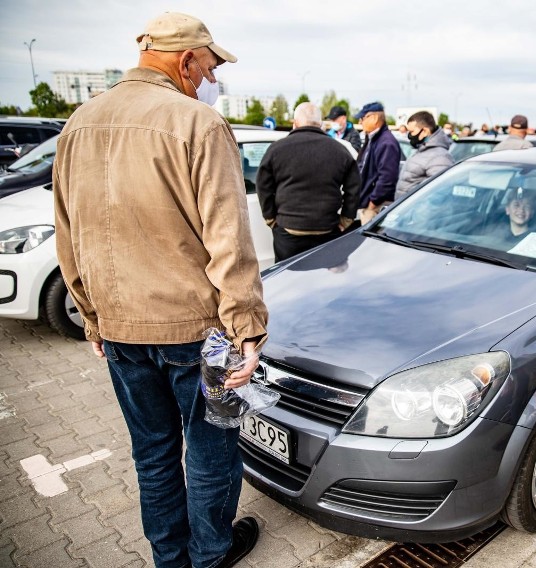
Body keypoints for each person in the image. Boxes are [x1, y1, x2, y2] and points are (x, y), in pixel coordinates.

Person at [52, 12, 267, 568]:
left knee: (152, 454)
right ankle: (211, 554)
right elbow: (229, 240)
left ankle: (170, 559)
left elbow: (68, 234)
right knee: (214, 449)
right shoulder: (199, 123)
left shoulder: (79, 121)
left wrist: (92, 317)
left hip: (122, 330)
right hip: (200, 334)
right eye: (211, 65)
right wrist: (247, 330)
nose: (211, 78)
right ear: (186, 59)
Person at [257, 102, 360, 262]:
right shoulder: (340, 150)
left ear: (295, 123)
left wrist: (271, 218)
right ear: (320, 124)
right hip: (328, 229)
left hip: (288, 232)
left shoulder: (277, 149)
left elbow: (263, 186)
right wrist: (346, 219)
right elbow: (353, 188)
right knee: (322, 282)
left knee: (288, 280)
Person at [354, 101, 401, 225]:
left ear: (374, 118)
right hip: (368, 203)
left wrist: (372, 203)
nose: (360, 122)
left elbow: (387, 178)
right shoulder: (374, 139)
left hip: (375, 207)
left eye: (362, 118)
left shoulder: (386, 142)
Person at [395, 111, 454, 200]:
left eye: (412, 132)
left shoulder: (440, 157)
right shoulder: (422, 150)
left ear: (425, 131)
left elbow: (439, 194)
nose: (410, 135)